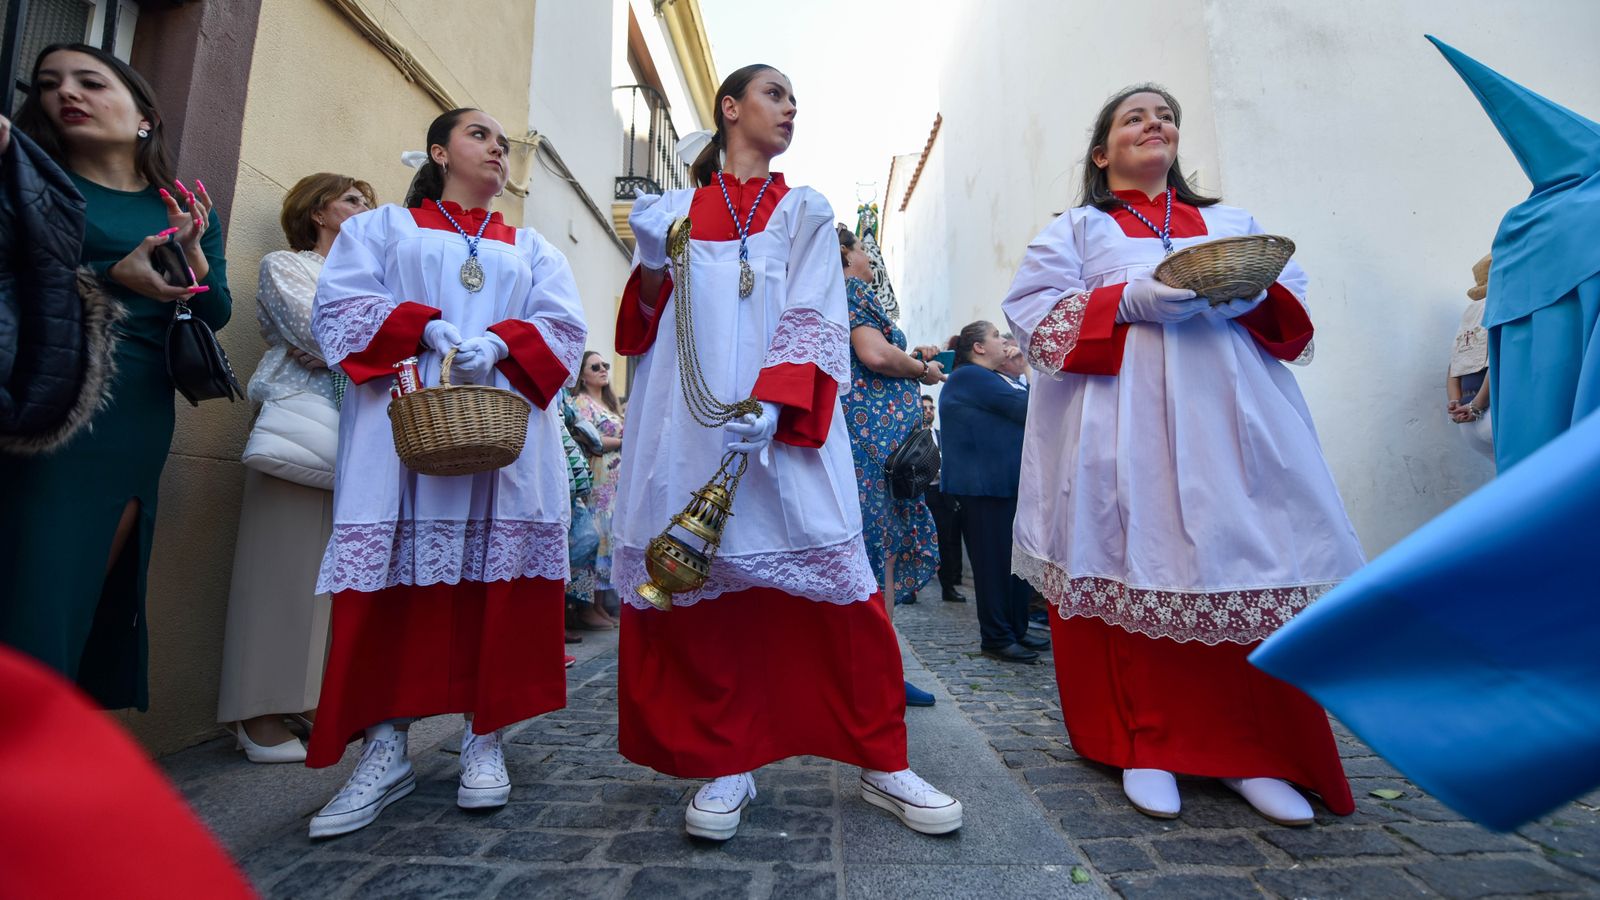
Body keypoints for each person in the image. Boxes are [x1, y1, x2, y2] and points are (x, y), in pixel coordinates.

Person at [615, 64, 961, 842]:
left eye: (795, 99)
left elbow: (813, 307)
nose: (790, 107)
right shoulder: (674, 210)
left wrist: (777, 401)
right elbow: (642, 326)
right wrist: (645, 262)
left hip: (787, 417)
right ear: (730, 109)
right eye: (774, 94)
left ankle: (881, 757)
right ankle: (726, 760)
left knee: (836, 579)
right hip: (691, 422)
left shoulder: (804, 208)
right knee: (701, 578)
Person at [1002, 83, 1363, 826]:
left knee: (1246, 560)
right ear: (1103, 155)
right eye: (1134, 116)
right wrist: (1126, 300)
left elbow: (1292, 315)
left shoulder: (1233, 224)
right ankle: (1148, 743)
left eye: (1165, 116)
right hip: (1121, 426)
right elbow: (1035, 317)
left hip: (1230, 422)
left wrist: (1248, 298)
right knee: (1138, 559)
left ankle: (1252, 753)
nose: (1154, 123)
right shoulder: (1076, 230)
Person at [304, 107, 586, 837]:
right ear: (439, 151)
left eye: (500, 140)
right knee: (393, 585)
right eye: (478, 135)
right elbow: (337, 309)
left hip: (505, 434)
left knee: (495, 582)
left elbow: (564, 327)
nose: (496, 148)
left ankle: (483, 738)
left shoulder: (532, 246)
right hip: (403, 427)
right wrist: (420, 326)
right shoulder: (381, 231)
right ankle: (385, 748)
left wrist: (498, 343)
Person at [0, 44, 231, 710]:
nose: (65, 92)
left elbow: (214, 313)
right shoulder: (30, 181)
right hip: (44, 406)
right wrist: (107, 279)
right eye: (49, 85)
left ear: (144, 117)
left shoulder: (185, 205)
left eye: (89, 81)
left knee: (83, 596)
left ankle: (48, 754)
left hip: (136, 411)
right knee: (33, 590)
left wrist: (192, 263)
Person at [214, 173, 374, 763]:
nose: (365, 210)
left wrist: (354, 346)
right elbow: (325, 334)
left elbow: (380, 343)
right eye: (353, 200)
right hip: (300, 433)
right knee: (278, 571)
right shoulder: (288, 265)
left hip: (357, 439)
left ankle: (309, 701)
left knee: (333, 576)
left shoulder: (368, 277)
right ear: (317, 211)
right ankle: (257, 717)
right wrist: (353, 347)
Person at [839, 225, 945, 708]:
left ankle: (881, 670)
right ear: (846, 256)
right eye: (864, 250)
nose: (870, 258)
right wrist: (922, 370)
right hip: (872, 450)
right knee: (874, 552)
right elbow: (875, 355)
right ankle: (878, 677)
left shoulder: (847, 294)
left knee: (876, 554)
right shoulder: (851, 290)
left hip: (877, 446)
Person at [937, 321, 1045, 663]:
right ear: (979, 348)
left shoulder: (995, 378)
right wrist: (1027, 366)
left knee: (1015, 563)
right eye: (997, 335)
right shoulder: (970, 376)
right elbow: (1030, 409)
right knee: (993, 565)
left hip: (1004, 485)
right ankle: (997, 637)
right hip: (984, 487)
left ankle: (1015, 627)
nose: (1005, 341)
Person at [571, 349, 625, 627]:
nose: (603, 369)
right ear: (582, 375)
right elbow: (590, 439)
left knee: (610, 538)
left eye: (605, 365)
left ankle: (601, 605)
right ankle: (586, 607)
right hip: (599, 477)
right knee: (596, 537)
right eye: (595, 366)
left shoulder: (609, 403)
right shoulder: (581, 402)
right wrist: (622, 440)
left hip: (615, 480)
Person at [920, 393, 969, 603]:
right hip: (920, 495)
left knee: (946, 544)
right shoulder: (911, 434)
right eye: (925, 408)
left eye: (931, 408)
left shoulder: (942, 435)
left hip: (941, 495)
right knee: (916, 542)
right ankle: (911, 591)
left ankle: (948, 588)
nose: (929, 411)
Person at [1446, 253, 1493, 458]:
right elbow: (1499, 363)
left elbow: (1453, 368)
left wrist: (1456, 402)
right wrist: (1477, 406)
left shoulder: (1469, 316)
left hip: (1466, 418)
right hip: (1489, 409)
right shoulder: (1498, 309)